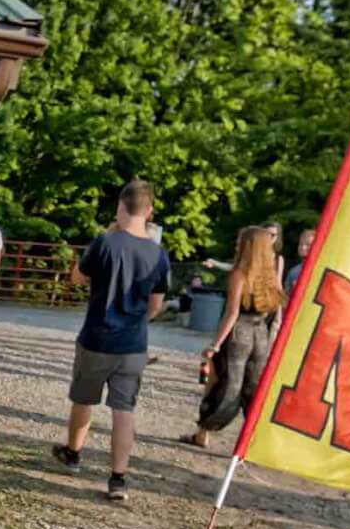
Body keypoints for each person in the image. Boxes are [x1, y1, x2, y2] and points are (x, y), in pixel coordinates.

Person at [50, 179, 171, 502]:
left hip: (96, 337)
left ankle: (73, 453)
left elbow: (77, 277)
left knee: (84, 398)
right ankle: (118, 478)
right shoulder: (159, 254)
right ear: (149, 212)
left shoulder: (105, 242)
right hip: (133, 344)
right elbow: (156, 306)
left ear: (120, 206)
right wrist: (136, 322)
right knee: (124, 410)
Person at [181, 226, 285, 448]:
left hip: (239, 333)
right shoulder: (269, 274)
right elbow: (274, 306)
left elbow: (232, 313)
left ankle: (204, 431)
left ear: (248, 246)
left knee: (222, 383)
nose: (237, 244)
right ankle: (252, 440)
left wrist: (215, 344)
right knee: (253, 387)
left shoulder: (240, 273)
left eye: (240, 241)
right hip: (260, 334)